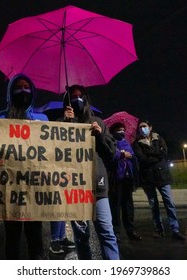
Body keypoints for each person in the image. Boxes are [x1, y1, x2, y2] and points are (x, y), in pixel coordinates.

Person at [62, 84, 120, 260]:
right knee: (81, 237)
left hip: (98, 186)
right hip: (75, 188)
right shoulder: (63, 122)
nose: (77, 99)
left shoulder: (99, 122)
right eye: (73, 96)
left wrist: (100, 135)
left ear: (86, 99)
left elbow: (111, 155)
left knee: (107, 233)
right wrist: (65, 125)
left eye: (80, 96)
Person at [0, 73, 48, 259]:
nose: (23, 91)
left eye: (27, 87)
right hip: (10, 189)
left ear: (32, 92)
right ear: (11, 92)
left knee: (36, 238)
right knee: (12, 239)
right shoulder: (1, 117)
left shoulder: (43, 119)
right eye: (19, 87)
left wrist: (69, 122)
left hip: (35, 188)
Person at [132, 120, 186, 241]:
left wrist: (151, 155)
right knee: (153, 205)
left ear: (150, 127)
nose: (142, 129)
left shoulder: (158, 138)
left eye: (144, 126)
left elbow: (164, 152)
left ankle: (175, 230)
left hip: (163, 175)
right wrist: (156, 155)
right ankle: (158, 230)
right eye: (140, 127)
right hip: (147, 178)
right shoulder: (136, 143)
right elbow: (142, 158)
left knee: (169, 203)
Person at [107, 122, 142, 242]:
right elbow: (109, 156)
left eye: (122, 129)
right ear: (113, 131)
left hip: (128, 178)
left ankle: (130, 230)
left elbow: (133, 156)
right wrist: (121, 155)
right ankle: (116, 231)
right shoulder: (110, 141)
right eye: (118, 129)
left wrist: (130, 156)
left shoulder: (127, 142)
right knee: (115, 206)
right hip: (116, 179)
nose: (121, 131)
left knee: (128, 206)